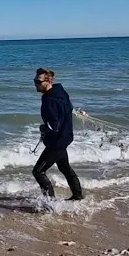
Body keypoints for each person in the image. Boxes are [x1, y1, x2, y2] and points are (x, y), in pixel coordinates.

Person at [32, 68, 84, 200]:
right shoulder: (60, 91)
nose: (35, 84)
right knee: (64, 166)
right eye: (34, 81)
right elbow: (69, 108)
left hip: (57, 141)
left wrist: (44, 128)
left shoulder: (50, 100)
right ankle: (78, 196)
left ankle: (50, 204)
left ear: (48, 81)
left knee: (38, 171)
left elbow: (54, 125)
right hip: (66, 136)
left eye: (38, 81)